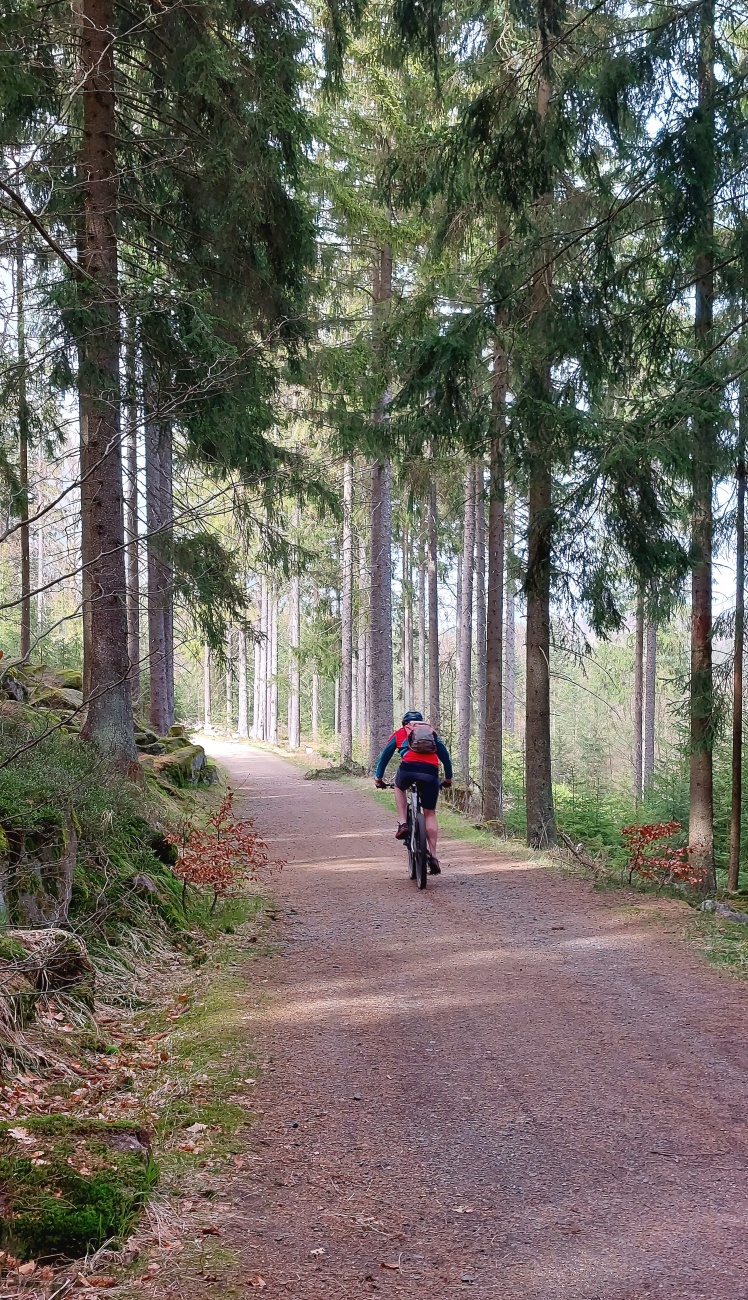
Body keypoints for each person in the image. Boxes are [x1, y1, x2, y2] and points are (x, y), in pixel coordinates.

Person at [373, 710, 453, 874]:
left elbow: (384, 757)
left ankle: (403, 823)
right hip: (431, 772)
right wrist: (448, 779)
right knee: (429, 813)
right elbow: (445, 757)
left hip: (408, 769)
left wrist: (378, 778)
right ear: (422, 723)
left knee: (398, 786)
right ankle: (434, 856)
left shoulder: (400, 733)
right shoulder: (432, 734)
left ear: (405, 724)